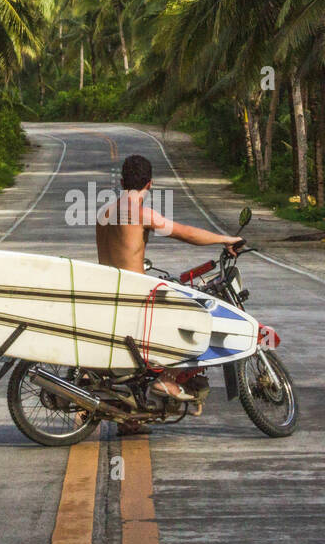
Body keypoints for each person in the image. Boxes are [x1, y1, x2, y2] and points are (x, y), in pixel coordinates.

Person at [95, 153, 242, 422]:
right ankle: (167, 379)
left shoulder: (104, 213)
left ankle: (133, 415)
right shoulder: (140, 213)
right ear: (149, 185)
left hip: (109, 292)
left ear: (121, 181)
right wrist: (224, 239)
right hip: (134, 294)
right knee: (190, 319)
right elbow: (186, 232)